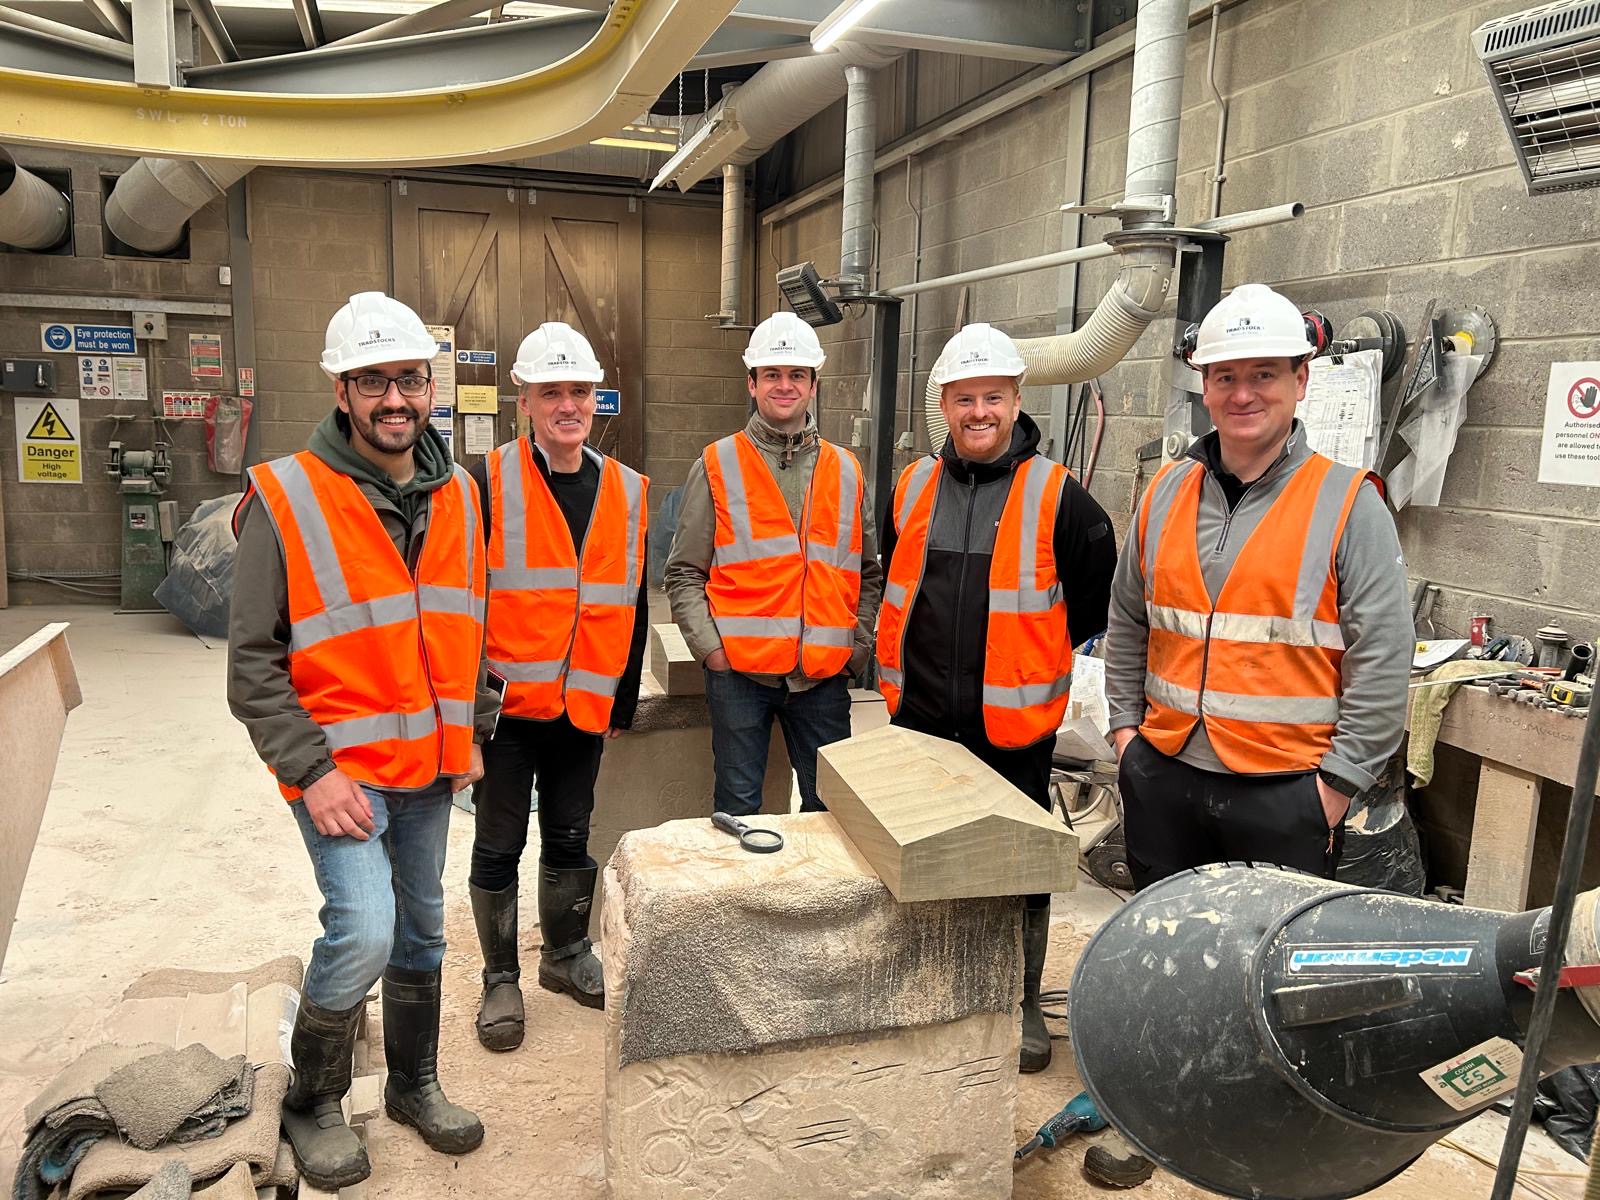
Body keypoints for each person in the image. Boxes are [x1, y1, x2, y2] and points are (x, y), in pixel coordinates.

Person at [1087, 283, 1411, 1188]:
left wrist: (1335, 787)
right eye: (1226, 376)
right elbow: (1128, 620)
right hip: (1165, 773)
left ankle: (1255, 1135)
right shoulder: (1164, 491)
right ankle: (1154, 1116)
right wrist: (1125, 734)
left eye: (1264, 374)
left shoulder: (1349, 503)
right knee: (1161, 957)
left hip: (1284, 792)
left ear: (1300, 382)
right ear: (1204, 385)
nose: (1243, 394)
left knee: (1266, 974)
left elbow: (1384, 660)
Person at [228, 292, 493, 1189]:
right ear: (340, 391)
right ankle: (314, 1098)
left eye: (409, 379)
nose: (395, 399)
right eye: (372, 381)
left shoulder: (459, 492)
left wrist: (475, 727)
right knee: (365, 929)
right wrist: (311, 772)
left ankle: (416, 1084)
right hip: (340, 772)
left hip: (431, 767)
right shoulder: (285, 496)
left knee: (422, 930)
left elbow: (470, 623)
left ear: (430, 386)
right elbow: (252, 666)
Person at [876, 322, 1116, 1076]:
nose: (978, 412)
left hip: (1012, 724)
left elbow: (1093, 606)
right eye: (964, 398)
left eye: (992, 397)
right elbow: (897, 581)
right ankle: (931, 987)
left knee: (1020, 864)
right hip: (921, 718)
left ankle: (1018, 1000)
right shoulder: (912, 485)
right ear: (944, 405)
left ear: (1016, 401)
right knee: (924, 856)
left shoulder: (1061, 496)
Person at [466, 322, 648, 1049]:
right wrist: (468, 706)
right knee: (499, 841)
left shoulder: (626, 489)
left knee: (572, 832)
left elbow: (631, 598)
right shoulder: (485, 481)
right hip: (507, 708)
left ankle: (566, 955)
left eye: (578, 391)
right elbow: (462, 600)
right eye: (551, 392)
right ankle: (499, 977)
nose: (567, 405)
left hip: (584, 701)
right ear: (526, 400)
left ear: (595, 397)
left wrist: (622, 698)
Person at [665, 311, 883, 815]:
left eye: (797, 375)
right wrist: (712, 653)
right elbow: (684, 572)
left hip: (824, 679)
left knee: (831, 814)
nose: (785, 386)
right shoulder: (717, 464)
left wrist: (856, 648)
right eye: (772, 374)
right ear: (752, 383)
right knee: (738, 811)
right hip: (740, 678)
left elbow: (867, 573)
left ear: (813, 385)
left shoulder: (847, 469)